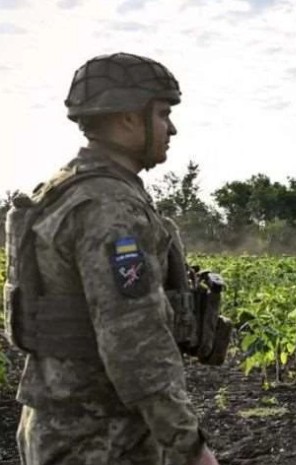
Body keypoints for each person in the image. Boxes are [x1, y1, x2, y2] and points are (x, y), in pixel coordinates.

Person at [5, 52, 219, 464]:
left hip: (59, 425)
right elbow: (136, 343)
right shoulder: (109, 208)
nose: (171, 128)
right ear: (127, 119)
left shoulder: (64, 189)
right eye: (162, 113)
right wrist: (190, 447)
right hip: (100, 438)